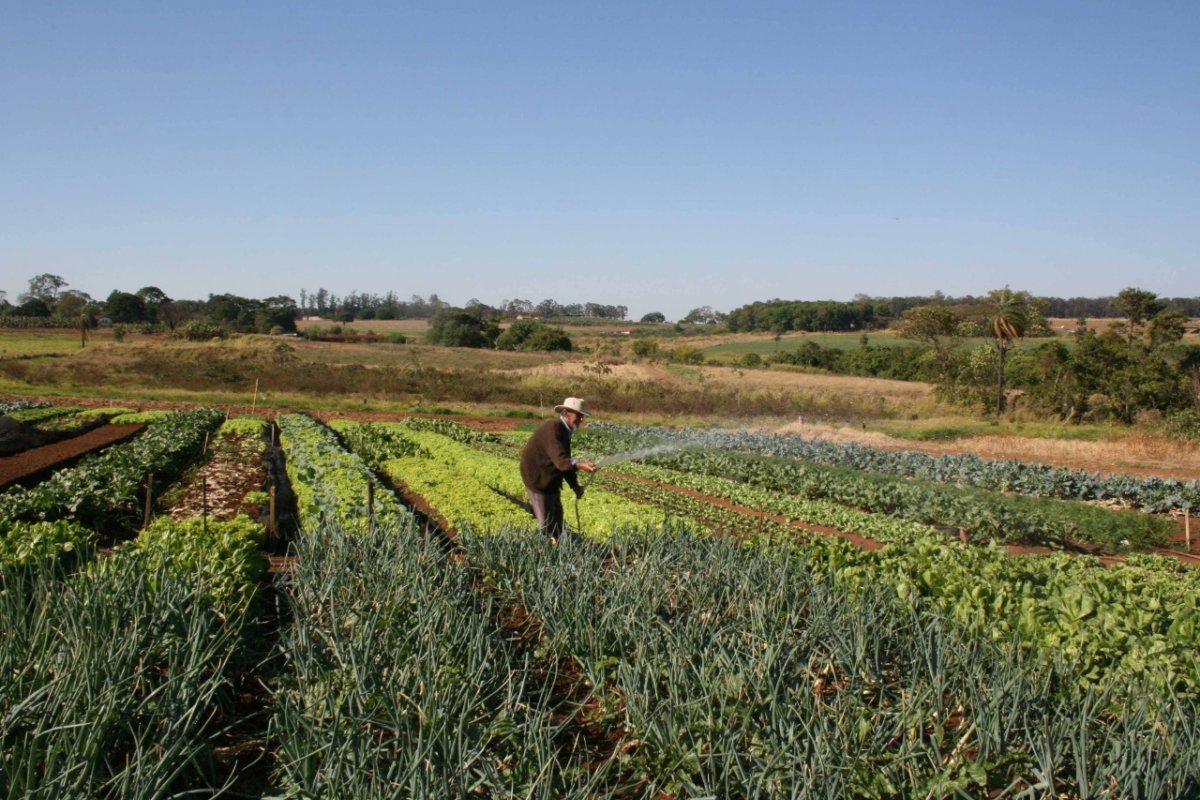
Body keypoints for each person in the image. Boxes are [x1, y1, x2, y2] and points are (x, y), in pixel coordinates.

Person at [520, 396, 598, 539]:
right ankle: (544, 550)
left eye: (582, 416)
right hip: (538, 479)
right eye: (579, 416)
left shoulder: (565, 430)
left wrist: (575, 486)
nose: (581, 420)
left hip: (551, 479)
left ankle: (557, 544)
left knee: (557, 519)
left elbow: (565, 462)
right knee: (546, 524)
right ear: (566, 413)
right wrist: (580, 465)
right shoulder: (554, 428)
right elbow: (561, 461)